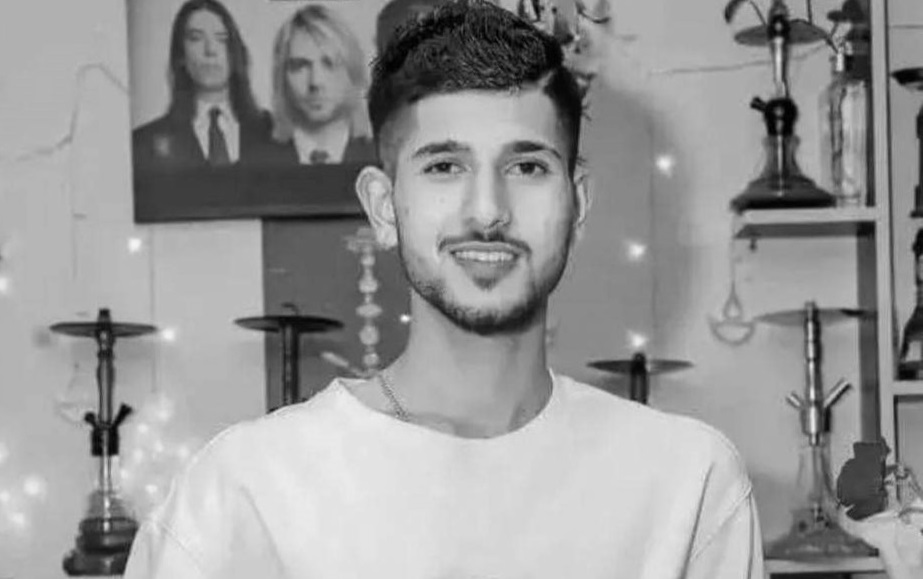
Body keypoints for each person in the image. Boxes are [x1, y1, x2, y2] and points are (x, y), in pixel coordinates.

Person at [123, 1, 765, 577]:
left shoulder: (687, 486)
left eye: (527, 166)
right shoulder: (241, 496)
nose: (487, 211)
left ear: (578, 203)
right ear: (384, 206)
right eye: (444, 166)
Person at [132, 0, 277, 172]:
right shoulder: (144, 143)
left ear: (235, 52)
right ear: (181, 55)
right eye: (196, 38)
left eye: (222, 39)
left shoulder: (275, 133)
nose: (210, 50)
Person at [268, 5, 376, 165]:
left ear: (352, 72)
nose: (315, 82)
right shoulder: (255, 163)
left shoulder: (382, 160)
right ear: (281, 78)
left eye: (329, 64)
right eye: (300, 66)